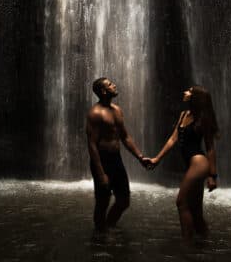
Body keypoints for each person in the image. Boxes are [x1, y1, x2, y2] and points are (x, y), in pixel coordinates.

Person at [147, 86, 219, 240]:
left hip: (199, 163)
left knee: (181, 203)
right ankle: (204, 243)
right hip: (190, 164)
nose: (185, 92)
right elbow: (173, 139)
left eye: (189, 91)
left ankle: (187, 244)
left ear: (195, 97)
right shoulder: (183, 115)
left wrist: (212, 175)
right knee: (196, 210)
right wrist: (157, 159)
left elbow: (210, 148)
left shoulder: (203, 118)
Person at [86, 76, 148, 230]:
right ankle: (99, 234)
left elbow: (125, 137)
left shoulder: (117, 110)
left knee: (124, 201)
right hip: (102, 160)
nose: (114, 85)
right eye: (110, 84)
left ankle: (109, 224)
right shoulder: (95, 113)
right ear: (103, 91)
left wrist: (140, 157)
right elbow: (92, 145)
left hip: (116, 160)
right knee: (103, 201)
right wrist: (101, 174)